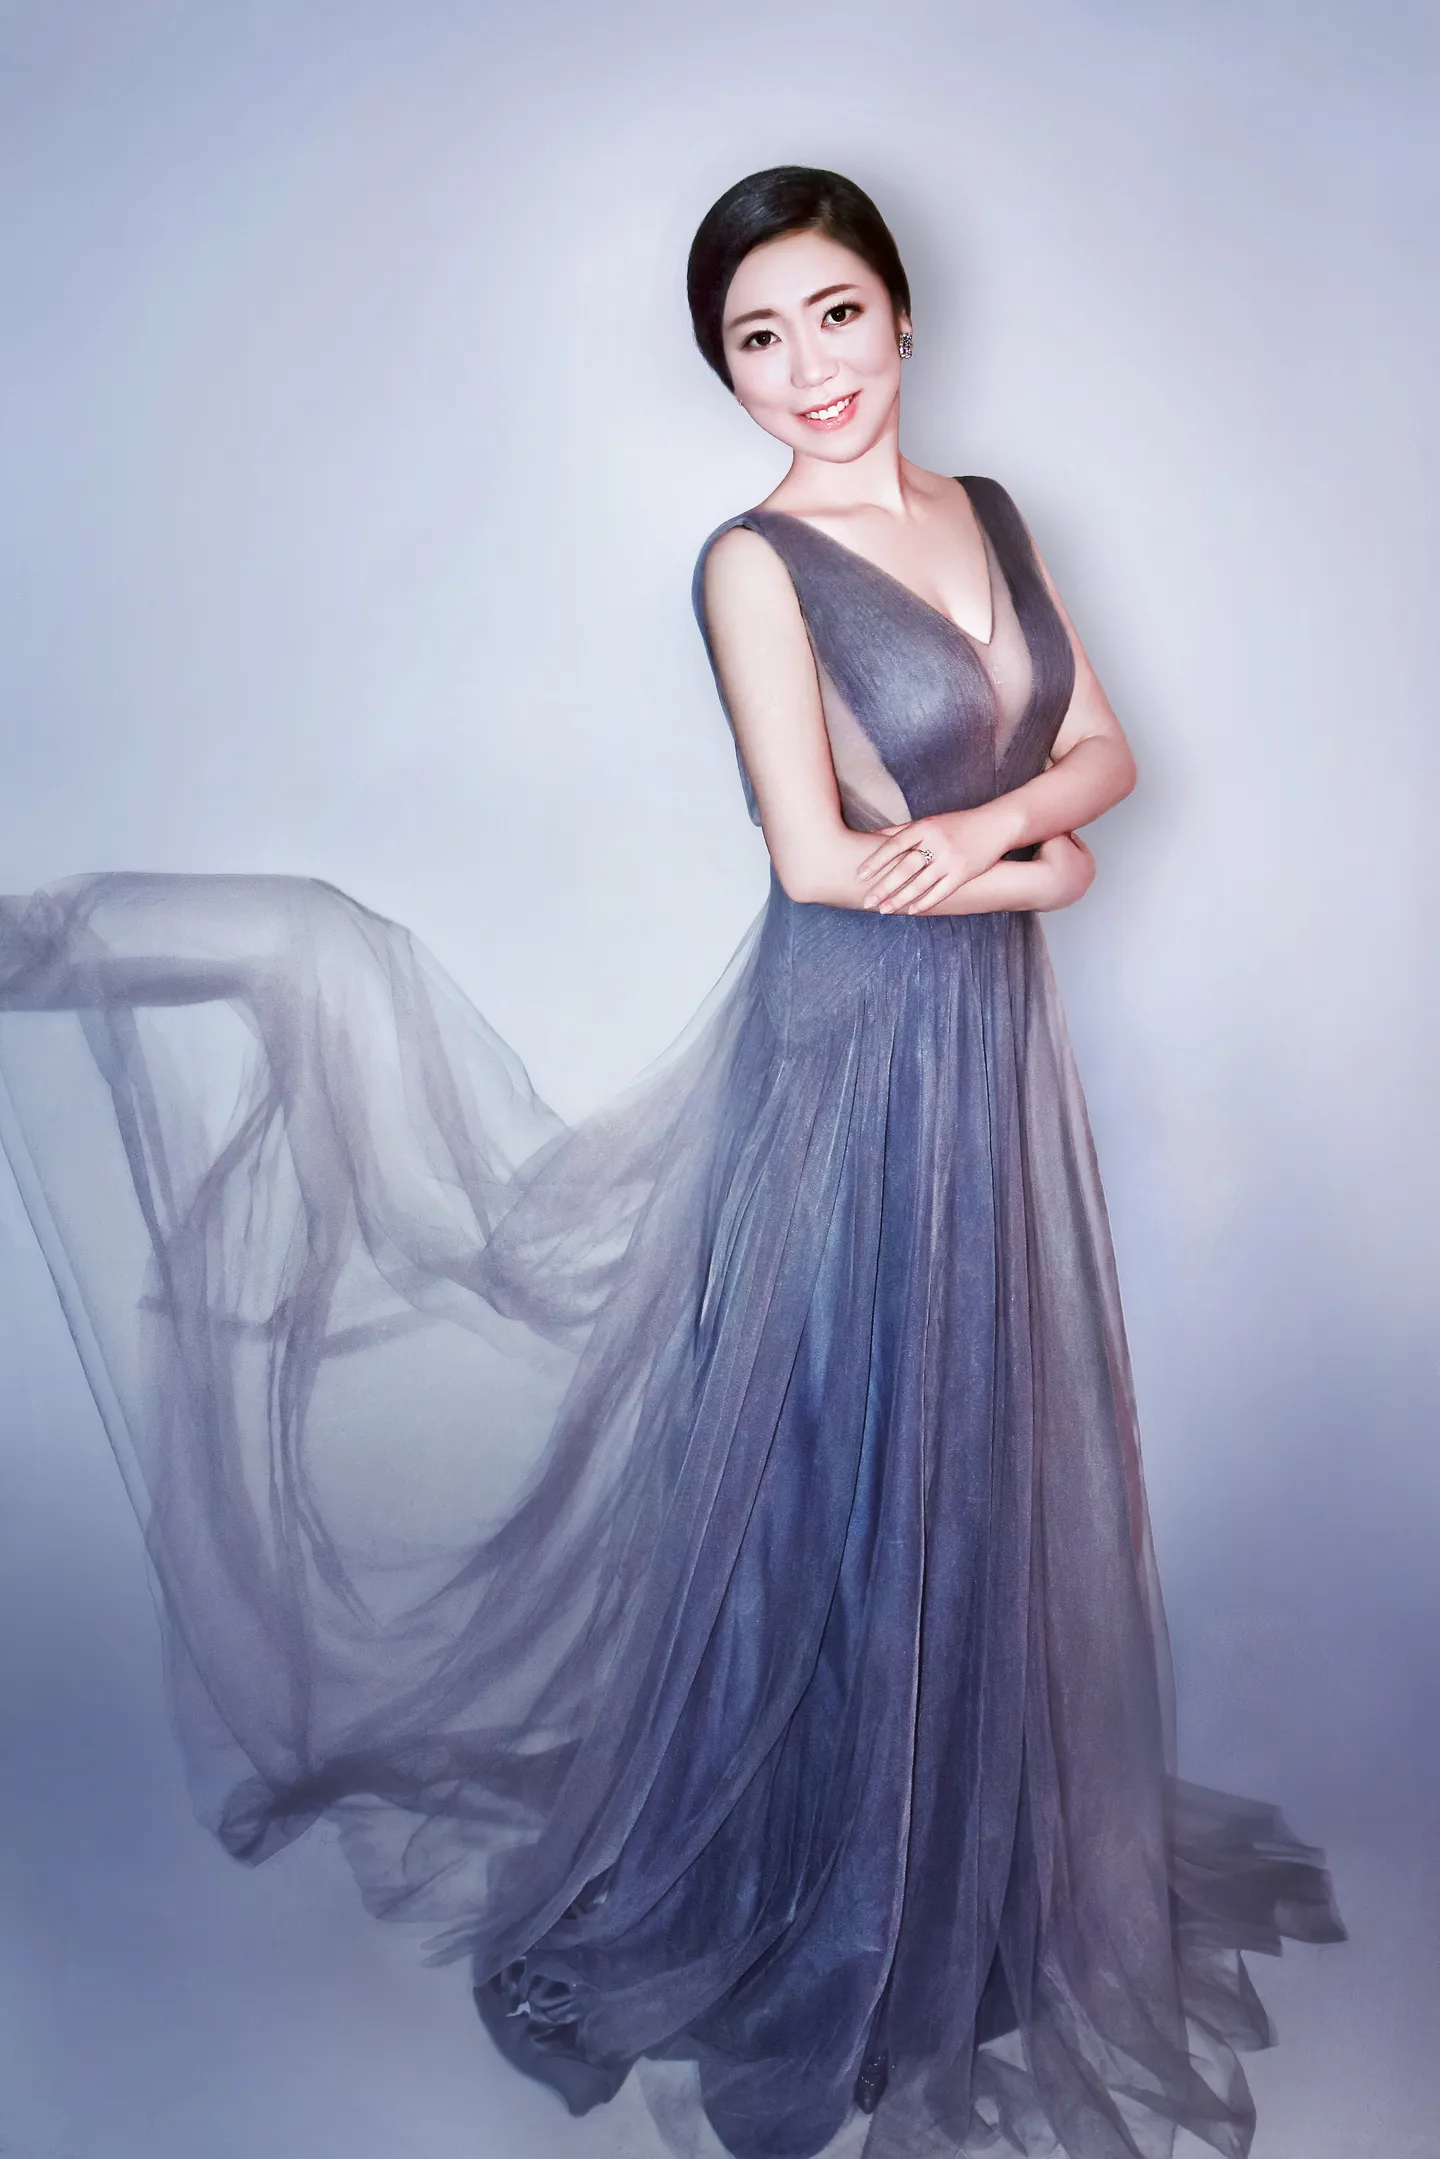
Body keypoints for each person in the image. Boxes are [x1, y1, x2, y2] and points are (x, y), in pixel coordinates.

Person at [0, 166, 1342, 2159]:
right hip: (850, 1053)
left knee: (968, 1436)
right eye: (755, 339)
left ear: (903, 313)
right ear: (727, 370)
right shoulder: (753, 564)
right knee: (839, 1447)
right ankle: (814, 1878)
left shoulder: (993, 514)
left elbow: (1106, 753)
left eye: (834, 315)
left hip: (981, 1050)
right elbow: (817, 861)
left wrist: (1002, 837)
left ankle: (944, 1858)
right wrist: (1041, 866)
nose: (807, 369)